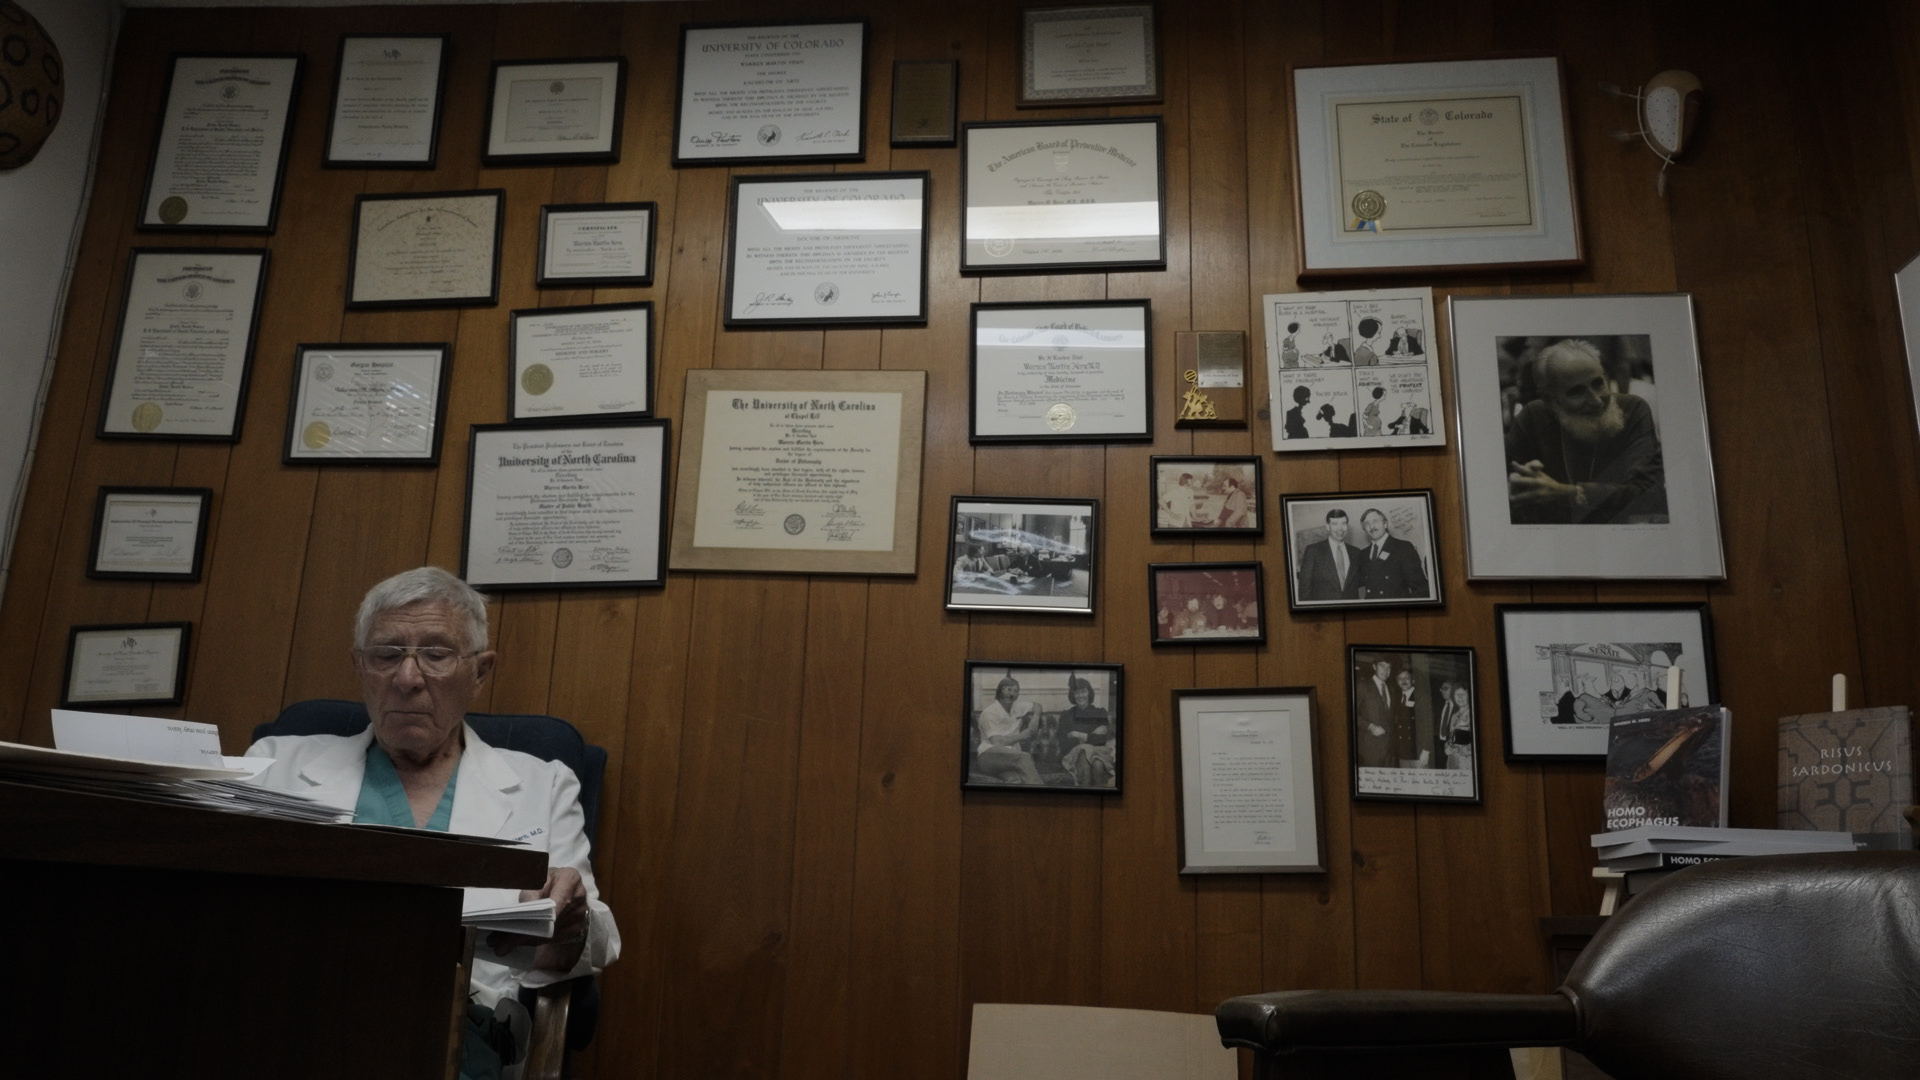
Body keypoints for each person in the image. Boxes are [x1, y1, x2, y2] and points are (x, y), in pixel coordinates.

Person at [245, 567, 620, 1080]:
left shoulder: (543, 782)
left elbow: (591, 944)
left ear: (480, 672)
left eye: (436, 655)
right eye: (386, 654)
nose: (407, 678)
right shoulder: (274, 765)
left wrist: (565, 924)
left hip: (457, 1034)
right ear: (360, 666)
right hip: (296, 1017)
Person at [1506, 338, 1668, 524]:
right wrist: (1521, 483)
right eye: (1577, 392)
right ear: (1550, 401)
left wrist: (1572, 494)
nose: (1597, 401)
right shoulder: (1533, 417)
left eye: (1599, 383)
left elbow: (1651, 493)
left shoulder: (1633, 410)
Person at [976, 676, 1043, 784]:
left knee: (1015, 780)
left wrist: (1036, 717)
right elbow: (997, 742)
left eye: (1016, 691)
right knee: (1024, 757)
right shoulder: (989, 712)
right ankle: (1043, 797)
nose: (1012, 694)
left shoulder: (1017, 707)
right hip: (988, 756)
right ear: (1000, 690)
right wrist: (1023, 735)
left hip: (1009, 760)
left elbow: (1037, 705)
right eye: (1008, 689)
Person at [1355, 507, 1429, 600]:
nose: (1372, 526)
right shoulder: (1363, 554)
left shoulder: (1403, 548)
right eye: (1367, 524)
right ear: (1364, 529)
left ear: (1385, 524)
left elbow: (1420, 588)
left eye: (1375, 521)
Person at [1057, 676, 1116, 787]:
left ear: (1089, 693)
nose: (1080, 696)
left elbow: (1102, 740)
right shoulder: (1066, 715)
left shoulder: (1100, 712)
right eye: (1077, 693)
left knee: (1096, 763)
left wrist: (1077, 734)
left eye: (1083, 691)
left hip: (1098, 753)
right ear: (1073, 695)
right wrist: (1092, 734)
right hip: (1074, 755)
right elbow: (1063, 743)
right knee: (1085, 756)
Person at [1296, 507, 1363, 601]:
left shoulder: (1356, 552)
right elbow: (1304, 590)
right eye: (1335, 524)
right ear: (1328, 527)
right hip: (1324, 613)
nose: (1340, 529)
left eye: (1344, 523)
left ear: (1347, 526)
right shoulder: (1313, 550)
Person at [1355, 658, 1395, 768]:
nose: (1385, 670)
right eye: (1382, 666)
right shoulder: (1362, 686)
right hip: (1370, 749)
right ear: (1374, 667)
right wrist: (1370, 726)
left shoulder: (1391, 689)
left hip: (1389, 750)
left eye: (1388, 667)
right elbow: (1351, 714)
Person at [1391, 667, 1430, 768]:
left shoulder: (1421, 697)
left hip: (1417, 752)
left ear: (1413, 680)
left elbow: (1428, 725)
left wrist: (1426, 750)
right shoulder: (1396, 698)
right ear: (1397, 682)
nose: (1403, 681)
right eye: (1400, 678)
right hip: (1402, 752)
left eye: (1406, 678)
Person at [1442, 685, 1474, 771]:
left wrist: (1459, 749)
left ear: (1469, 695)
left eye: (1463, 694)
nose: (1460, 697)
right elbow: (1450, 738)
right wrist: (1446, 747)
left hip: (1467, 761)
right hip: (1452, 760)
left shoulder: (1473, 714)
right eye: (1457, 694)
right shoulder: (1454, 716)